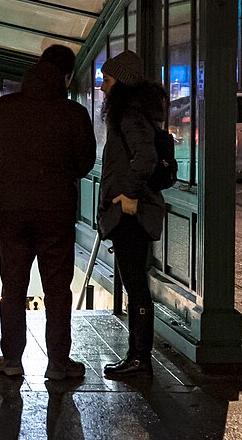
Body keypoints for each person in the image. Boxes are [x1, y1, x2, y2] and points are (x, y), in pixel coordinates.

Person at [0, 45, 96, 381]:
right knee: (58, 289)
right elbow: (85, 163)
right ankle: (59, 363)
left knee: (13, 287)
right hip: (56, 213)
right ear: (66, 76)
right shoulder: (73, 113)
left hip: (12, 210)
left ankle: (12, 360)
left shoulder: (4, 107)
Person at [95, 50, 168, 379]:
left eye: (107, 81)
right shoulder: (137, 114)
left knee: (136, 286)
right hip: (130, 212)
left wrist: (129, 194)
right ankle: (138, 358)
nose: (102, 87)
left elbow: (145, 156)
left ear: (121, 84)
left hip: (130, 215)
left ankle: (139, 360)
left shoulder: (128, 116)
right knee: (136, 284)